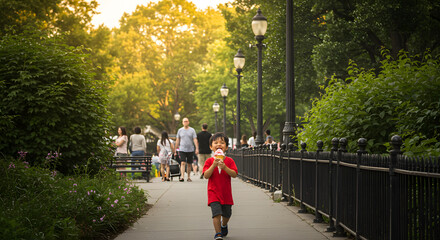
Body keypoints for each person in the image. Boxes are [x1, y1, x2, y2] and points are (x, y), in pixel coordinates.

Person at [203, 132, 238, 240]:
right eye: (216, 143)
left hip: (226, 193)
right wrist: (213, 165)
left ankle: (224, 225)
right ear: (211, 146)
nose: (219, 145)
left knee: (227, 215)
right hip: (213, 192)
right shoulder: (209, 161)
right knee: (216, 213)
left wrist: (225, 168)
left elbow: (234, 174)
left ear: (226, 147)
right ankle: (218, 233)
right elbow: (206, 175)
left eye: (222, 143)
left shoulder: (229, 161)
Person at [175, 118, 199, 182]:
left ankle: (188, 177)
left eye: (186, 121)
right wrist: (175, 149)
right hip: (182, 149)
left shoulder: (192, 130)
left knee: (189, 164)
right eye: (184, 121)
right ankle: (182, 176)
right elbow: (177, 140)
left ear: (188, 122)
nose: (185, 122)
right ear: (182, 122)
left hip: (190, 149)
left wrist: (197, 148)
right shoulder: (180, 130)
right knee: (182, 162)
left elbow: (195, 139)